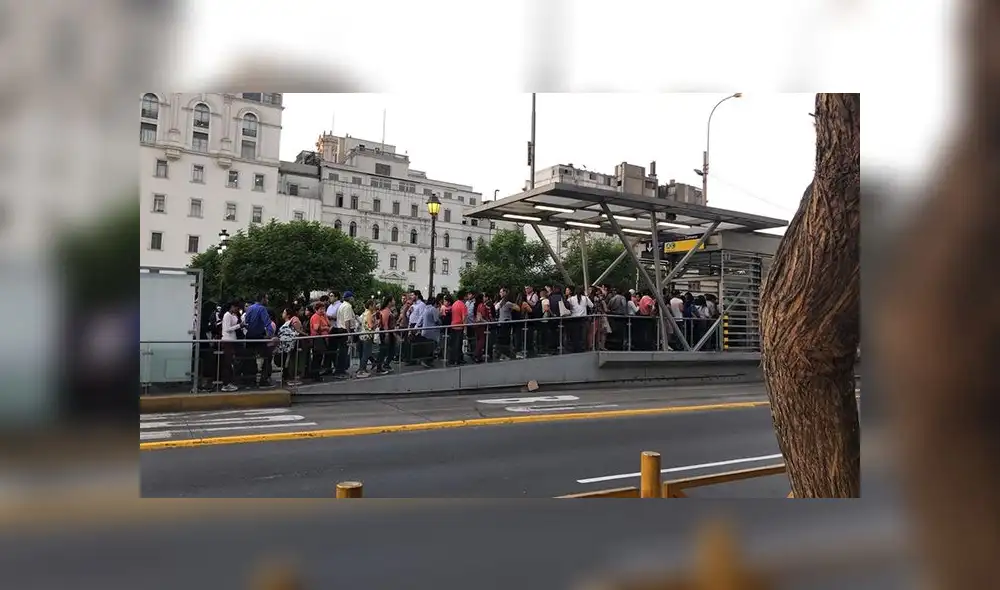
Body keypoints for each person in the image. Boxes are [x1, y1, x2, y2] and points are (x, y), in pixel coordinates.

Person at [243, 293, 275, 388]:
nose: (267, 301)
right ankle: (263, 379)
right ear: (262, 299)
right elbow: (267, 323)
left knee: (250, 358)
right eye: (266, 299)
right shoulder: (262, 309)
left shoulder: (250, 308)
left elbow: (246, 322)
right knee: (267, 357)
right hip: (259, 336)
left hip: (249, 335)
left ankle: (250, 380)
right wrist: (269, 335)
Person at [277, 307, 304, 386]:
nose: (282, 314)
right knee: (285, 361)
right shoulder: (287, 323)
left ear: (288, 315)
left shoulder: (291, 322)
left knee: (289, 361)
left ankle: (289, 377)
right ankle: (286, 377)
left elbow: (297, 332)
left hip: (289, 345)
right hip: (284, 345)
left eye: (284, 312)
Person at [219, 300, 242, 391]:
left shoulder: (233, 315)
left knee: (230, 362)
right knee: (227, 363)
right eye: (236, 307)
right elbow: (227, 329)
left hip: (232, 340)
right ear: (232, 306)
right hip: (227, 340)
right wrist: (239, 326)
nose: (237, 309)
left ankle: (229, 382)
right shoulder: (227, 315)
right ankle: (226, 383)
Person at [335, 290, 358, 378]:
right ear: (350, 298)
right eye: (352, 297)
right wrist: (349, 334)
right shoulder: (348, 307)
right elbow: (347, 321)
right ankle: (340, 371)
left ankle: (340, 369)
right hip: (345, 330)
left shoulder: (341, 305)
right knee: (343, 352)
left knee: (342, 351)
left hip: (340, 329)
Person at [565, 286, 594, 353]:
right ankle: (582, 348)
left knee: (575, 335)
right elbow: (592, 305)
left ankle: (574, 348)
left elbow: (567, 306)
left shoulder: (571, 299)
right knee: (582, 335)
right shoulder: (585, 298)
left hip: (574, 318)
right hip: (583, 319)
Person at [308, 300, 331, 379]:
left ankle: (316, 373)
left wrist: (325, 316)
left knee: (319, 357)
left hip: (323, 338)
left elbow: (329, 324)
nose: (322, 311)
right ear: (316, 309)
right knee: (317, 357)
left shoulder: (322, 316)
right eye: (320, 309)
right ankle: (315, 374)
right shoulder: (316, 317)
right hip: (318, 338)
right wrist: (325, 328)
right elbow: (316, 328)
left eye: (323, 309)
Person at [355, 299, 378, 378]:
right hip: (367, 335)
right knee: (366, 354)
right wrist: (376, 323)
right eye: (374, 305)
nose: (375, 306)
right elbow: (370, 326)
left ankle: (362, 369)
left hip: (362, 335)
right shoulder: (369, 314)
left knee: (363, 354)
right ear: (370, 306)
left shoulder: (364, 313)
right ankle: (362, 370)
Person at [448, 292, 467, 365]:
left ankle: (452, 359)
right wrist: (465, 329)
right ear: (464, 297)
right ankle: (458, 359)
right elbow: (464, 318)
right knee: (458, 344)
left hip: (453, 326)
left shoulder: (454, 304)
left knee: (453, 344)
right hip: (459, 327)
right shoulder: (463, 306)